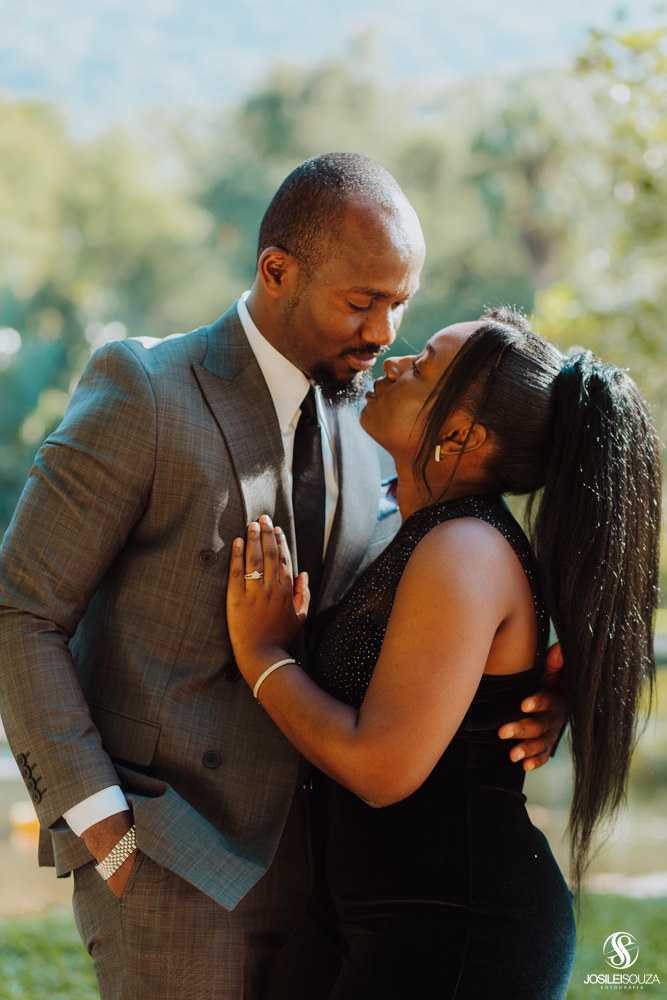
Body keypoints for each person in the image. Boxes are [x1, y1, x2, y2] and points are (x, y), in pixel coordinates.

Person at [0, 156, 562, 1000]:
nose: (384, 332)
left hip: (337, 896)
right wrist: (102, 831)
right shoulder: (144, 390)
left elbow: (423, 612)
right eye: (362, 302)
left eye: (399, 303)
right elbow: (21, 611)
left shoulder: (377, 426)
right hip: (170, 868)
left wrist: (542, 687)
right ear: (276, 272)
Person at [226, 307, 662, 999]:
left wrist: (263, 654)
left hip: (458, 928)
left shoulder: (463, 550)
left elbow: (381, 767)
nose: (393, 362)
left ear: (460, 434)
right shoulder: (420, 529)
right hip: (379, 914)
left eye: (422, 365)